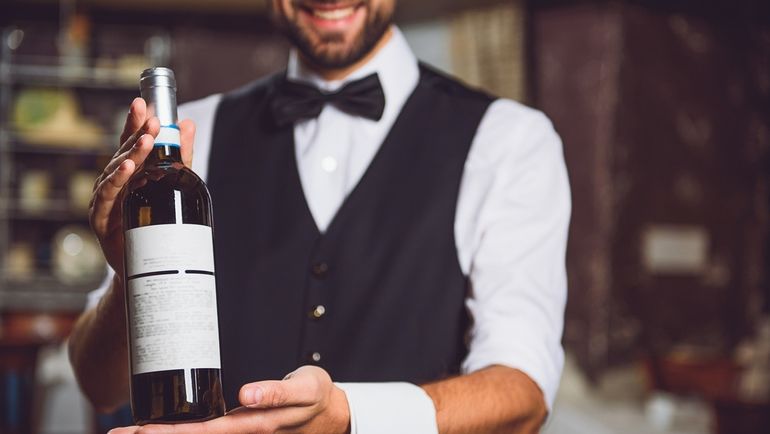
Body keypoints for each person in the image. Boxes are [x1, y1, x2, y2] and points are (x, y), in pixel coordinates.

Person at [68, 0, 571, 433]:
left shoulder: (510, 140)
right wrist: (127, 276)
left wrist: (349, 417)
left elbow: (523, 395)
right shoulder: (197, 134)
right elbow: (99, 386)